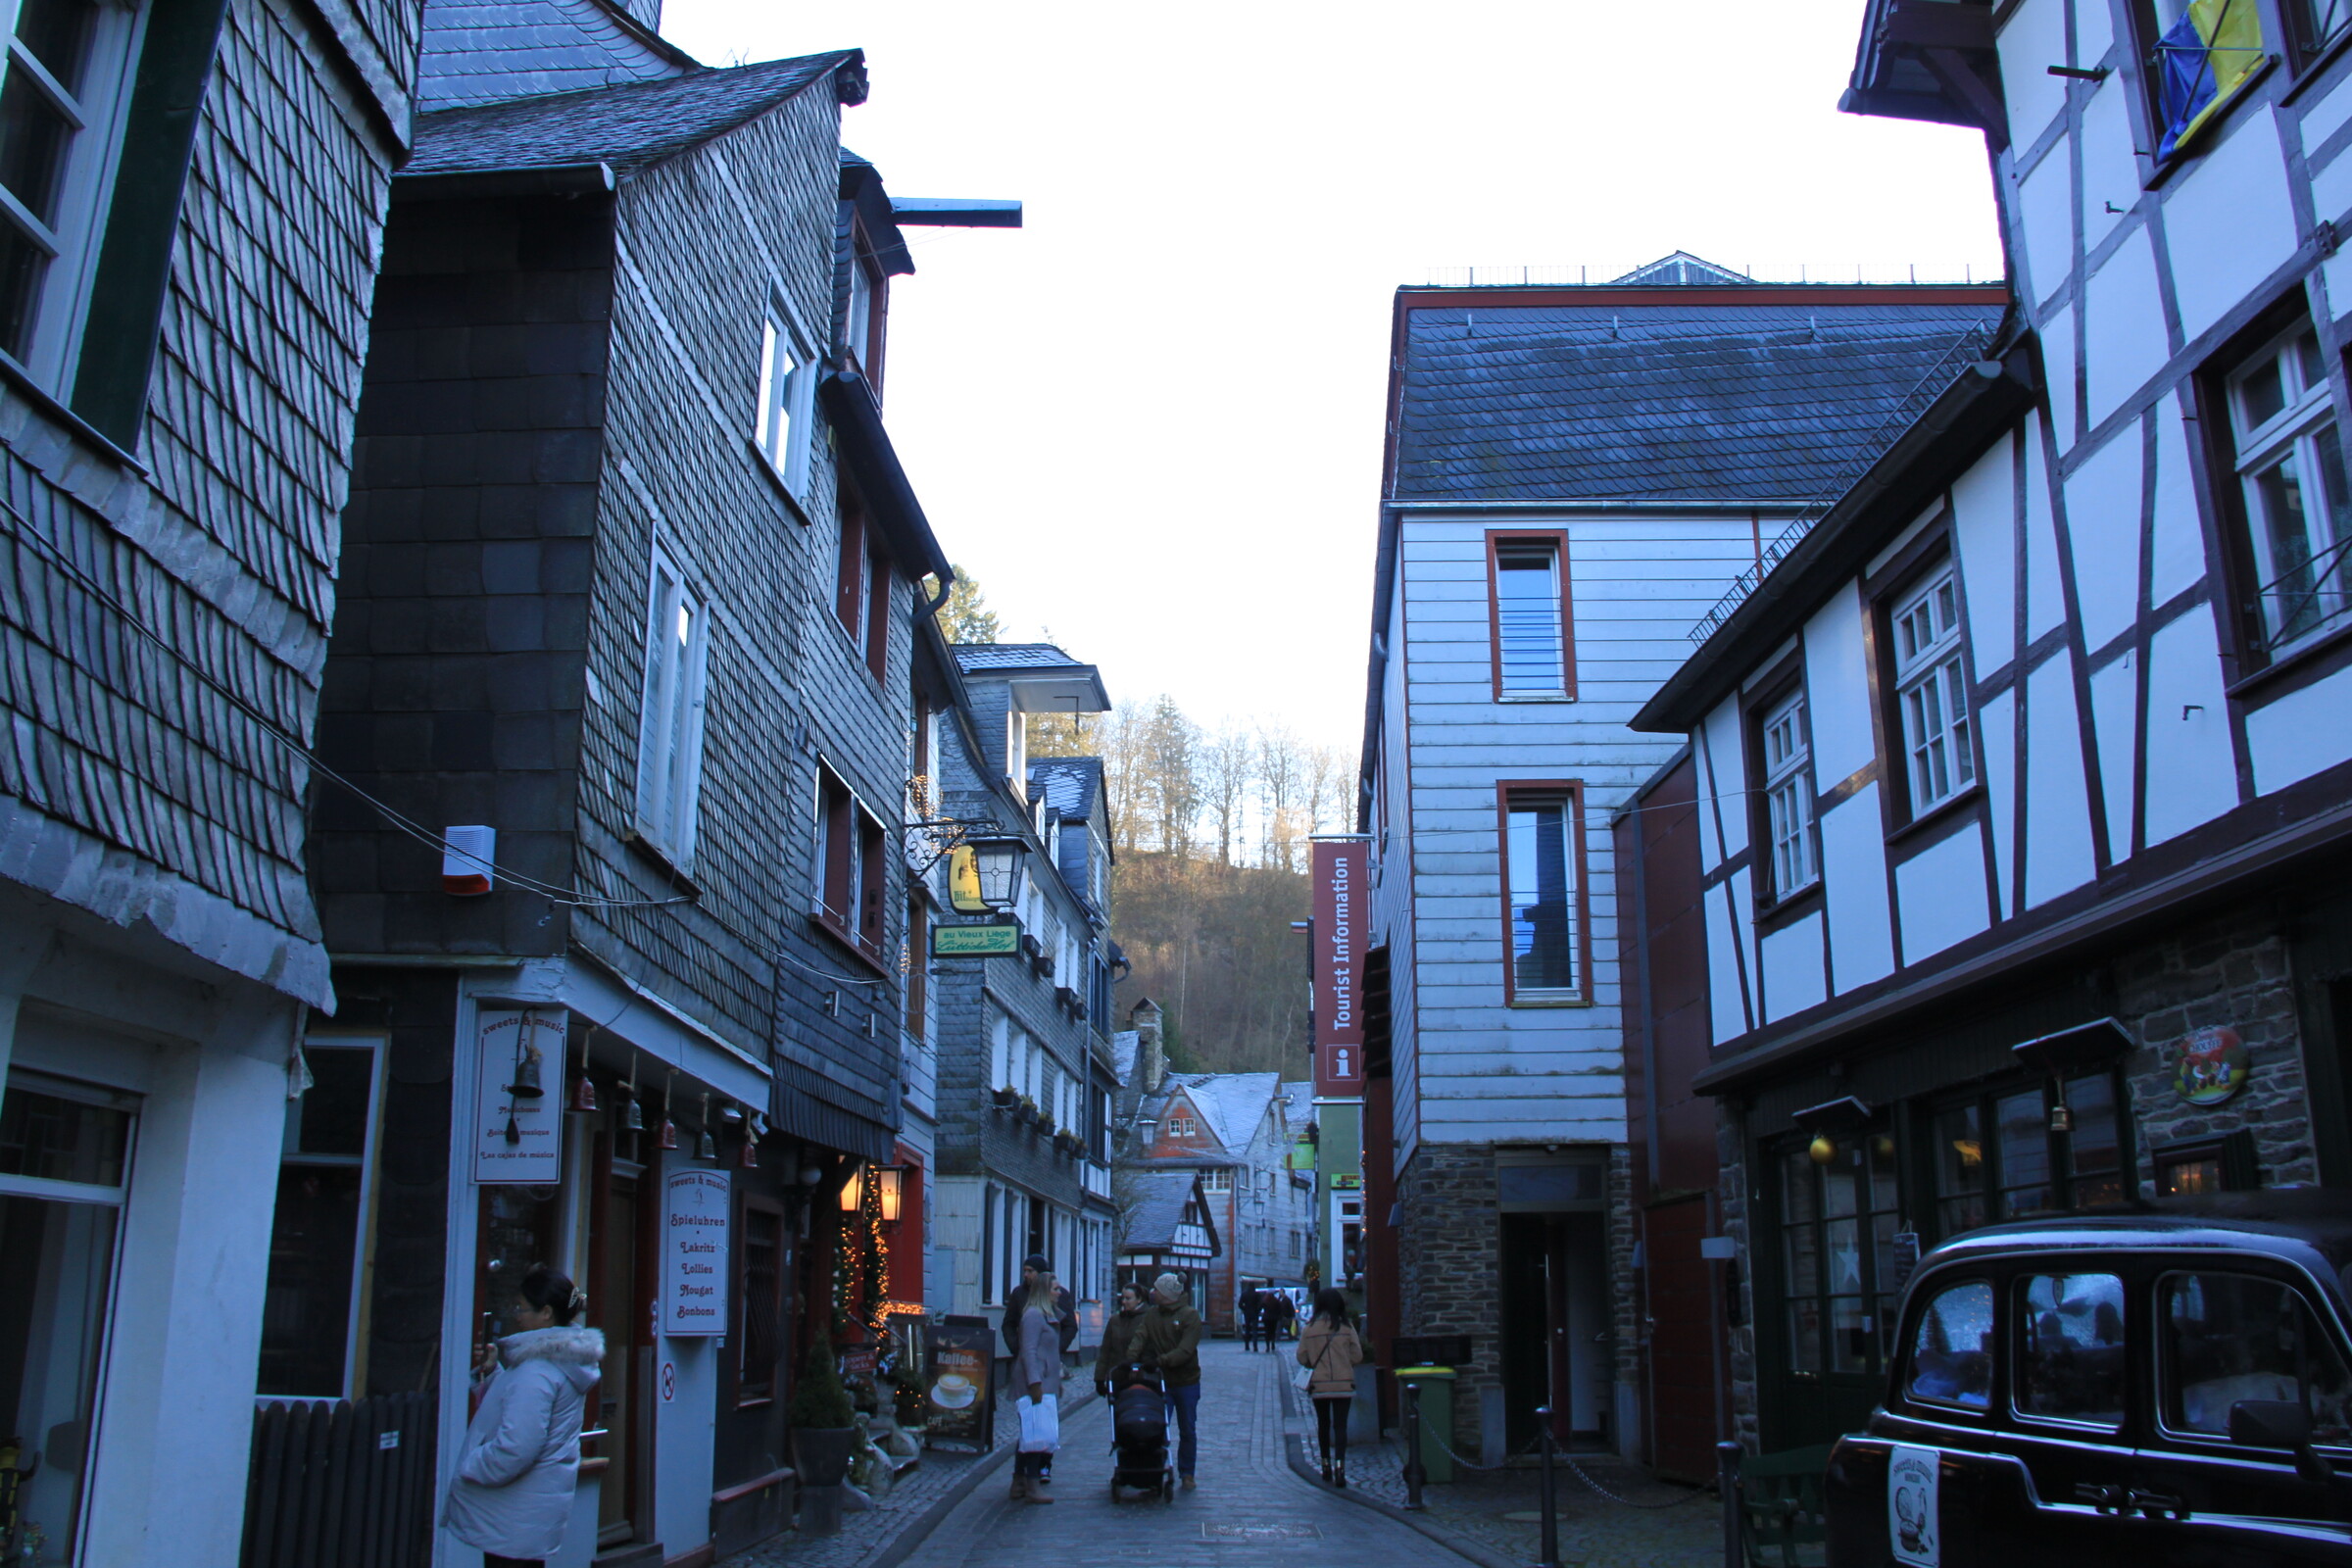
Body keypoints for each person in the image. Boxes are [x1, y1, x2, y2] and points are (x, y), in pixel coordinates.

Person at [442, 1266, 605, 1568]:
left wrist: (472, 1464)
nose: (516, 1315)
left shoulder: (538, 1369)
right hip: (528, 1513)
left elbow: (517, 1446)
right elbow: (526, 1412)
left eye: (521, 1307)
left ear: (546, 1313)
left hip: (511, 1514)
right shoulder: (561, 1361)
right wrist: (494, 1373)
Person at [1003, 1253, 1075, 1478]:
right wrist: (1017, 1348)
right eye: (1024, 1271)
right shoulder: (1023, 1299)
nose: (1026, 1275)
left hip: (1046, 1370)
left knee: (1042, 1426)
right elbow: (1011, 1327)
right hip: (1033, 1372)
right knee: (1033, 1427)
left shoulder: (1059, 1299)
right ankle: (1027, 1477)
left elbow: (1069, 1326)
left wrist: (1055, 1351)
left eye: (1030, 1271)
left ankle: (1039, 1469)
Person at [1132, 1271, 1203, 1489]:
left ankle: (1187, 1473)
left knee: (1187, 1429)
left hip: (1186, 1381)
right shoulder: (1152, 1315)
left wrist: (1160, 1361)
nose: (1153, 1292)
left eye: (1157, 1290)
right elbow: (1140, 1337)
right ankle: (1155, 1468)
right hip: (1161, 1381)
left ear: (1167, 1294)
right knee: (1157, 1427)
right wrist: (1130, 1360)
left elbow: (1185, 1350)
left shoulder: (1190, 1316)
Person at [1296, 1288, 1364, 1487]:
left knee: (1323, 1424)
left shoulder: (1309, 1329)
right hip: (1343, 1383)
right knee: (1340, 1426)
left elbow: (1301, 1357)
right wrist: (1344, 1362)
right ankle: (1340, 1468)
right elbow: (1357, 1356)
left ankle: (1325, 1465)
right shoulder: (1346, 1327)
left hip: (1319, 1384)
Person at [1010, 1268, 1064, 1505]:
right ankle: (1032, 1484)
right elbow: (1028, 1351)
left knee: (1030, 1433)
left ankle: (1019, 1482)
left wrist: (1057, 1381)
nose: (1059, 1292)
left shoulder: (1045, 1315)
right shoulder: (1033, 1316)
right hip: (1034, 1383)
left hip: (1045, 1382)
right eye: (1055, 1289)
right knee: (1036, 1434)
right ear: (1044, 1291)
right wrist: (1034, 1383)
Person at [1095, 1281, 1148, 1396]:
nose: (1124, 1302)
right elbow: (1105, 1351)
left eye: (1128, 1298)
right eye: (1122, 1298)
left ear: (1139, 1299)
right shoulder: (1115, 1320)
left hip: (1140, 1378)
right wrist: (1099, 1378)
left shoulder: (1147, 1318)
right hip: (1116, 1376)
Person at [1239, 1286, 1263, 1351]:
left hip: (1247, 1313)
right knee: (1255, 1330)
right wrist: (1258, 1310)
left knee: (1247, 1330)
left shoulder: (1244, 1294)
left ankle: (1247, 1346)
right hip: (1254, 1313)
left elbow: (1240, 1304)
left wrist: (1244, 1309)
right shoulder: (1257, 1294)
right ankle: (1255, 1346)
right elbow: (1261, 1304)